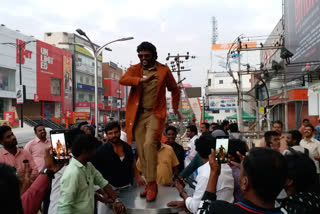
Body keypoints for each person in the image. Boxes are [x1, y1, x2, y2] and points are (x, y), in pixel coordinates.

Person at [119, 41, 181, 202]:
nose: (143, 58)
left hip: (155, 113)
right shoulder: (135, 69)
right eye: (140, 55)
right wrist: (141, 80)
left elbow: (174, 88)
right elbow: (123, 80)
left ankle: (152, 184)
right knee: (142, 150)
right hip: (138, 116)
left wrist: (175, 107)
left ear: (153, 55)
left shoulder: (163, 70)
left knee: (149, 144)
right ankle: (148, 183)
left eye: (146, 55)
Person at [197, 147, 287, 214]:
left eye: (241, 172)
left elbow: (203, 210)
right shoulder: (286, 211)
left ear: (245, 183)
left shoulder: (221, 210)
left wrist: (214, 173)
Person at [58, 134, 126, 214]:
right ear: (84, 150)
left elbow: (102, 182)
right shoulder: (72, 173)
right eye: (93, 149)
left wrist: (116, 201)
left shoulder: (88, 166)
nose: (95, 152)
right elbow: (64, 206)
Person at [168, 134, 234, 213]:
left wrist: (182, 192)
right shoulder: (226, 167)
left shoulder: (205, 174)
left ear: (198, 154)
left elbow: (195, 207)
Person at [92, 121, 145, 214]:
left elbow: (132, 163)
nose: (114, 135)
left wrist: (138, 176)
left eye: (116, 132)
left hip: (127, 189)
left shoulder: (127, 148)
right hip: (109, 191)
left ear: (120, 132)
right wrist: (104, 192)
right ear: (107, 135)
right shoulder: (101, 151)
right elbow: (94, 172)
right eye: (110, 133)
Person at [0, 146, 61, 214]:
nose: (12, 137)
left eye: (12, 135)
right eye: (8, 137)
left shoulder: (24, 152)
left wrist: (47, 170)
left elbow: (33, 192)